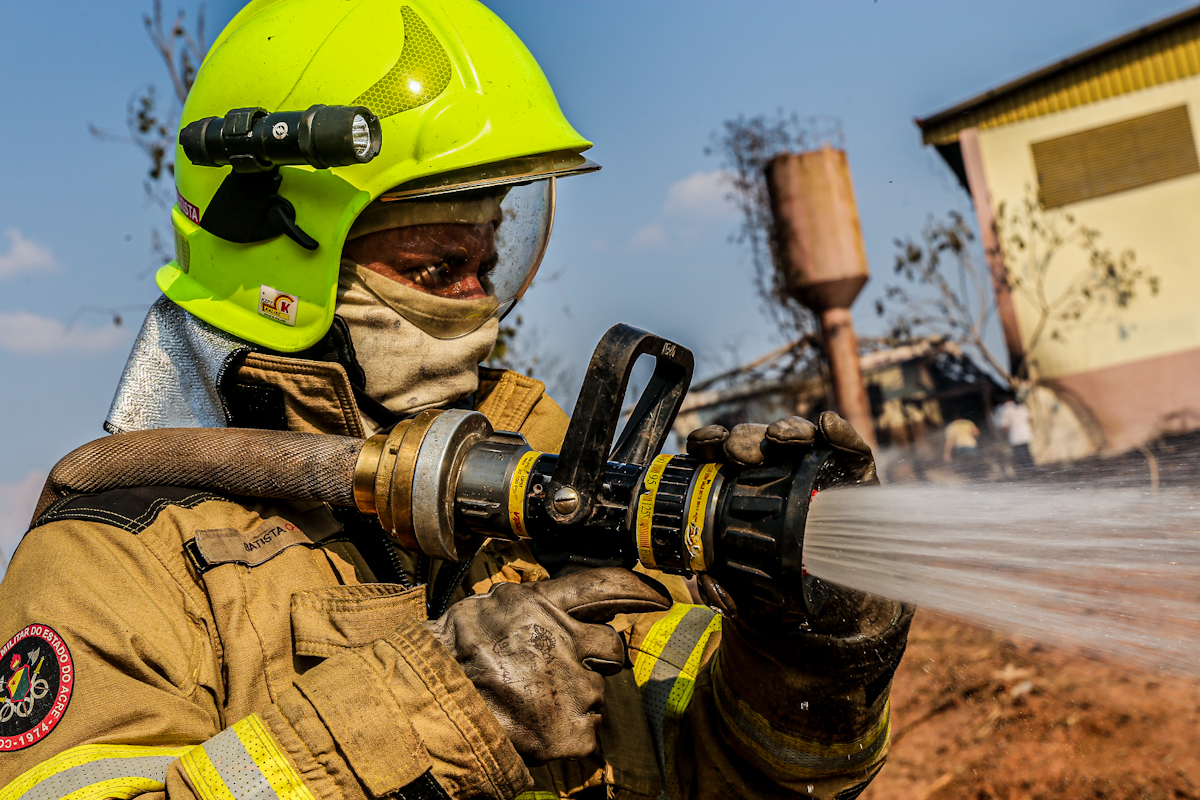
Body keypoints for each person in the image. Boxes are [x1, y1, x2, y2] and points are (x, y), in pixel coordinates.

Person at [0, 3, 911, 799]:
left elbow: (731, 775)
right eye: (435, 269)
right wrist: (423, 714)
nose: (478, 309)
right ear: (285, 260)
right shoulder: (113, 564)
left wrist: (810, 657)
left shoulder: (541, 476)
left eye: (488, 264)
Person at [997, 396, 1034, 475]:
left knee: (1021, 456)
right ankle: (1033, 470)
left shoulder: (1005, 410)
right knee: (1028, 454)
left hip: (1016, 437)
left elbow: (1004, 426)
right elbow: (1030, 419)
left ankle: (1029, 473)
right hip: (1026, 434)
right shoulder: (1022, 406)